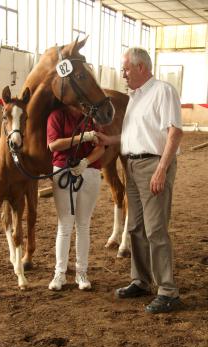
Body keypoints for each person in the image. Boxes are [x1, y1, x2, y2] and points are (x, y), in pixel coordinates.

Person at [96, 47, 183, 313]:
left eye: (126, 69)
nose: (122, 73)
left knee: (156, 229)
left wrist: (161, 169)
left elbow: (175, 133)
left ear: (142, 67)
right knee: (135, 227)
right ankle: (141, 280)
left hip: (153, 165)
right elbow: (135, 136)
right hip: (132, 166)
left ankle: (168, 290)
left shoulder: (163, 91)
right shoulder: (135, 97)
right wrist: (111, 140)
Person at [47, 105, 105, 291]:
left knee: (83, 224)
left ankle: (81, 272)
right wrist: (83, 137)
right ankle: (60, 273)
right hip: (64, 170)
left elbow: (101, 147)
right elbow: (53, 144)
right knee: (64, 224)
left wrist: (86, 161)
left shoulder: (92, 118)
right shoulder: (56, 115)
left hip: (90, 171)